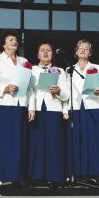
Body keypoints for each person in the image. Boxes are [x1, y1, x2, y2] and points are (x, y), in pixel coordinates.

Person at [0, 29, 33, 186]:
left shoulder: (24, 61)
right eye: (11, 40)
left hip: (20, 105)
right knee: (2, 141)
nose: (15, 42)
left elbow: (30, 87)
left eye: (16, 40)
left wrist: (30, 107)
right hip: (3, 105)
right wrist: (4, 89)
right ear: (3, 44)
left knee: (18, 142)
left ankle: (16, 176)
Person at [28, 42, 70, 187]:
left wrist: (59, 91)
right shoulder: (32, 70)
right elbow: (30, 91)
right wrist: (31, 108)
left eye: (49, 50)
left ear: (52, 54)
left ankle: (54, 177)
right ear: (37, 54)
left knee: (54, 144)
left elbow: (66, 94)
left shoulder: (60, 71)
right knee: (36, 143)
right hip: (37, 109)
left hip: (54, 109)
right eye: (42, 50)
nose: (45, 53)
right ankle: (35, 176)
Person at [67, 39, 99, 181]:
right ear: (76, 52)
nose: (83, 50)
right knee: (77, 140)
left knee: (94, 141)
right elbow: (67, 91)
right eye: (80, 48)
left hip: (93, 106)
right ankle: (78, 173)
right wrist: (66, 110)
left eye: (86, 48)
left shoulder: (97, 67)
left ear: (90, 53)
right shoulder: (69, 69)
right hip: (76, 107)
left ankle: (95, 174)